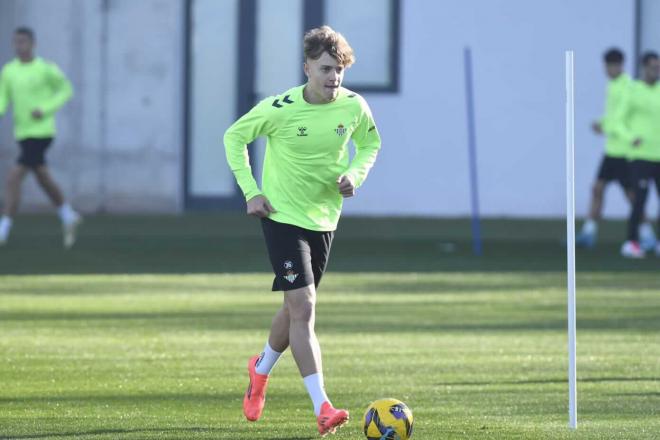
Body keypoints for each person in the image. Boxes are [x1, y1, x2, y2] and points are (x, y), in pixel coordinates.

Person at [223, 26, 381, 435]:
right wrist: (251, 191)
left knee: (293, 309)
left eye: (340, 70)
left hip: (324, 218)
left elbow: (369, 145)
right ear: (307, 67)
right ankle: (322, 407)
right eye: (327, 69)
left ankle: (260, 370)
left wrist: (354, 174)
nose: (334, 78)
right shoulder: (279, 108)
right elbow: (234, 136)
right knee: (305, 307)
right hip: (281, 216)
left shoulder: (353, 106)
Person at [0, 27, 81, 248]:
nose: (20, 46)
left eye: (24, 42)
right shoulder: (9, 71)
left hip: (42, 132)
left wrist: (45, 109)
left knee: (13, 177)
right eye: (16, 42)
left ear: (33, 44)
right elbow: (2, 99)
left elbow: (66, 90)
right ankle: (67, 214)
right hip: (23, 133)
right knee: (42, 177)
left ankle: (4, 227)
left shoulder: (45, 69)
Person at [576, 48, 656, 249]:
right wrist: (601, 122)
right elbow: (613, 116)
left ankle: (646, 234)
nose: (609, 70)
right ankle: (589, 231)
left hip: (625, 151)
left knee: (633, 197)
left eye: (613, 66)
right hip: (611, 150)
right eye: (607, 66)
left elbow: (620, 120)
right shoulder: (612, 85)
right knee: (597, 188)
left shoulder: (627, 86)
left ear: (621, 65)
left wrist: (606, 126)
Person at [620, 51, 660, 258]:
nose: (656, 71)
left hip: (659, 155)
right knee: (640, 201)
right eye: (653, 67)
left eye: (658, 67)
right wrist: (630, 137)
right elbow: (618, 120)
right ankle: (631, 242)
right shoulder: (633, 91)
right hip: (640, 156)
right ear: (644, 67)